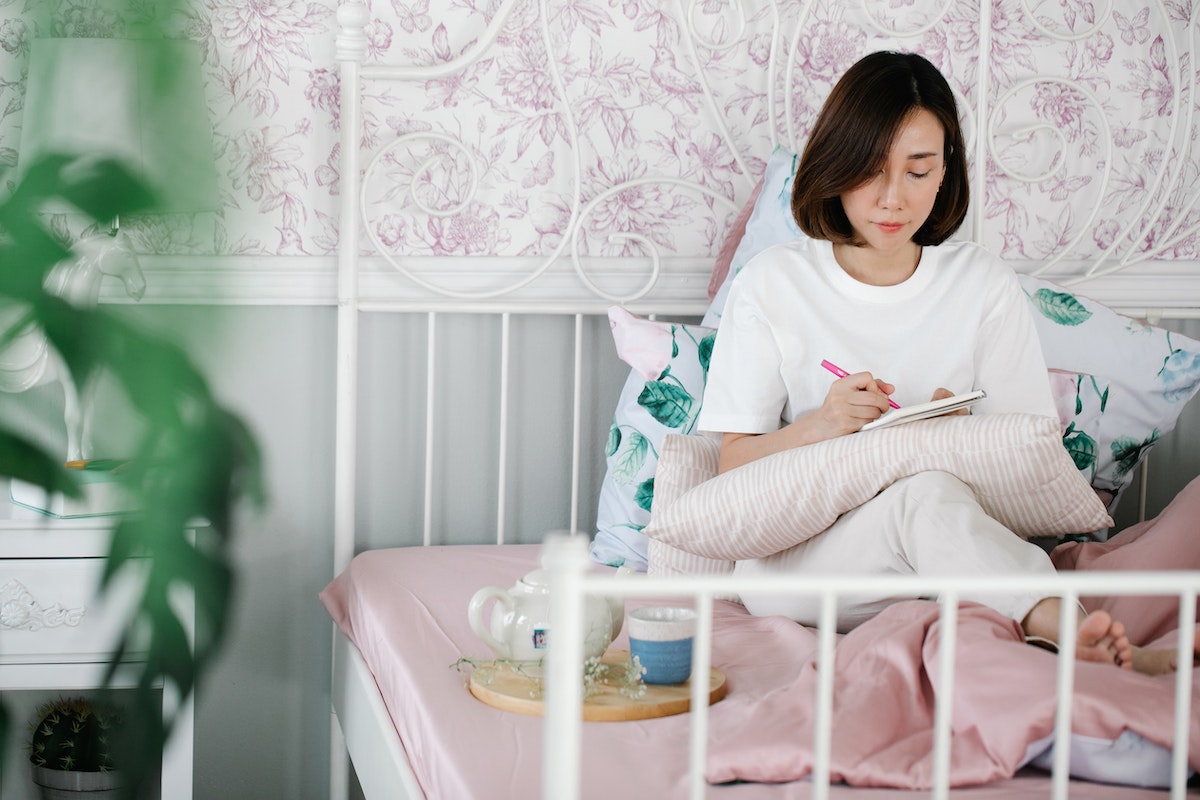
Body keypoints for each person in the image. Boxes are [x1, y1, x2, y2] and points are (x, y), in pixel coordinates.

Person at [697, 50, 1175, 674]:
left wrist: (951, 437)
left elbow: (1027, 463)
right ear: (836, 165)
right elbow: (732, 464)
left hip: (948, 551)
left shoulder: (982, 285)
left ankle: (1051, 635)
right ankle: (1094, 647)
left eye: (919, 172)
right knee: (919, 497)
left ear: (946, 171)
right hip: (798, 566)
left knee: (929, 494)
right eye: (870, 172)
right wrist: (823, 425)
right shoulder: (773, 283)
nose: (893, 200)